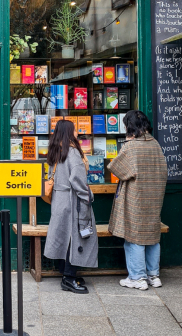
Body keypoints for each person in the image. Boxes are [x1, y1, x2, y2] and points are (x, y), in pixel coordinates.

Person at [108, 110, 167, 290]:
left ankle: (137, 277)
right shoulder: (155, 144)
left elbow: (115, 167)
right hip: (155, 196)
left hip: (136, 196)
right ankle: (153, 275)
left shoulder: (131, 147)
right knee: (152, 236)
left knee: (134, 236)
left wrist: (127, 144)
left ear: (130, 126)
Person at [45, 119, 98, 294]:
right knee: (76, 236)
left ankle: (65, 271)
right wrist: (87, 196)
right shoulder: (73, 152)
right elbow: (78, 181)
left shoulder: (55, 150)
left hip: (59, 200)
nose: (77, 132)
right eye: (74, 130)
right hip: (72, 201)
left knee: (63, 235)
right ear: (69, 132)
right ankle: (68, 278)